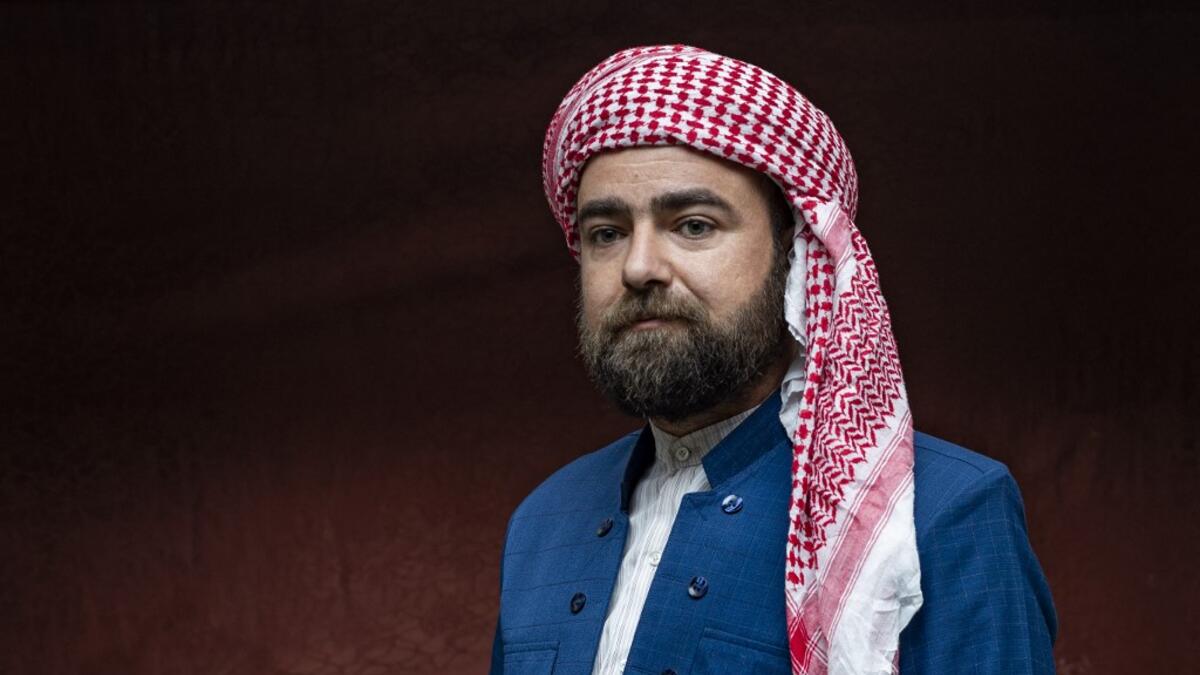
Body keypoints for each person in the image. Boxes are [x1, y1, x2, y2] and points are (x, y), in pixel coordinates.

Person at [491, 45, 1056, 675]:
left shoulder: (944, 511)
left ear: (796, 257)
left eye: (694, 225)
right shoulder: (544, 520)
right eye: (606, 233)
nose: (639, 267)